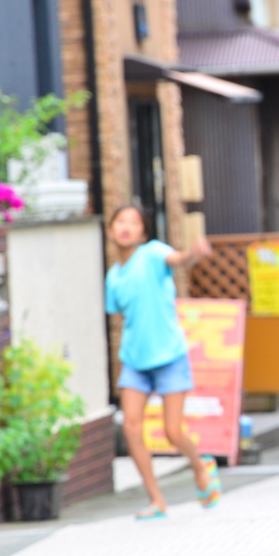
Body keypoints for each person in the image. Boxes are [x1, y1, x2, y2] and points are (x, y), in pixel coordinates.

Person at [104, 204, 220, 520]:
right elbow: (118, 313)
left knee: (172, 431)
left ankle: (201, 465)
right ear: (111, 230)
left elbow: (180, 260)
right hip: (135, 360)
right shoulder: (113, 277)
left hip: (169, 354)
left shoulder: (154, 254)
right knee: (131, 428)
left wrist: (194, 253)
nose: (126, 227)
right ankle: (157, 500)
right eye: (120, 222)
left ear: (142, 232)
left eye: (133, 222)